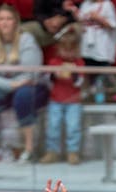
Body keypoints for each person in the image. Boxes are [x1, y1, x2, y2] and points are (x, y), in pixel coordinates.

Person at [0, 3, 49, 164]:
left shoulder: (26, 39)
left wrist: (15, 84)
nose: (5, 23)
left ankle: (29, 149)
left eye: (9, 19)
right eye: (1, 19)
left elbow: (31, 72)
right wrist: (10, 85)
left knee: (23, 96)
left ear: (16, 21)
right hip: (5, 85)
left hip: (31, 85)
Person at [40, 28, 86, 165]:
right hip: (55, 100)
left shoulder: (80, 64)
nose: (68, 53)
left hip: (73, 101)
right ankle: (52, 151)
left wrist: (73, 74)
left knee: (73, 126)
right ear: (58, 49)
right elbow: (47, 81)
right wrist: (54, 75)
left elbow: (80, 82)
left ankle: (73, 152)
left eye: (71, 50)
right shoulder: (54, 62)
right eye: (64, 50)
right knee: (53, 126)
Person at [71, 0, 116, 100]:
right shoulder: (85, 4)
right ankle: (88, 96)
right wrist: (74, 12)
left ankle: (108, 97)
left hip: (102, 47)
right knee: (87, 72)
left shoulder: (107, 5)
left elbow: (113, 25)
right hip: (86, 47)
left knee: (104, 75)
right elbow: (81, 20)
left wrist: (99, 18)